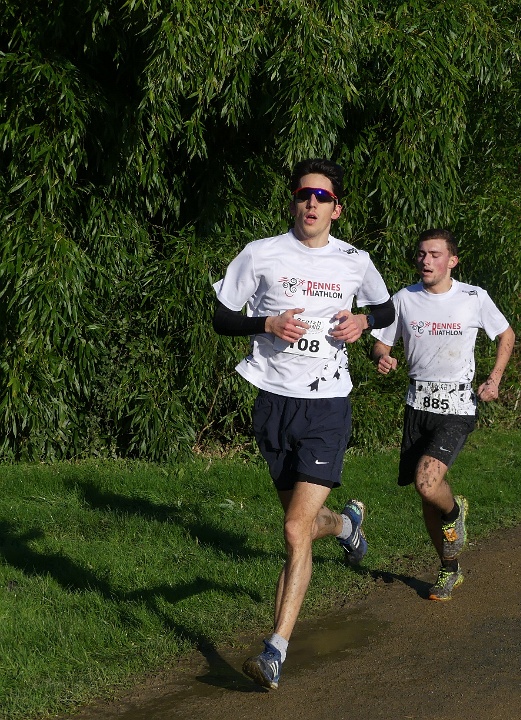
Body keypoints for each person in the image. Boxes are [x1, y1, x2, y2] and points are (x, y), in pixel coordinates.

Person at [211, 158, 395, 690]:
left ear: (337, 209)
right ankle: (346, 525)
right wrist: (266, 322)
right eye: (303, 194)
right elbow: (221, 317)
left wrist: (363, 320)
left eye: (322, 196)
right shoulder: (261, 253)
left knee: (294, 530)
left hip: (327, 405)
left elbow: (385, 311)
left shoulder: (355, 260)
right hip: (274, 403)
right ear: (294, 202)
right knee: (304, 526)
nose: (311, 203)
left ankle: (275, 650)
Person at [370, 229, 515, 601]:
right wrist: (382, 357)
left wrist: (494, 379)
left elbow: (506, 335)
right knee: (426, 497)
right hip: (417, 407)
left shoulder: (473, 297)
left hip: (457, 407)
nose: (426, 261)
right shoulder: (404, 299)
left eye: (434, 254)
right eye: (421, 254)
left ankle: (455, 512)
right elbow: (381, 343)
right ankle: (449, 569)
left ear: (452, 261)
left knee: (428, 483)